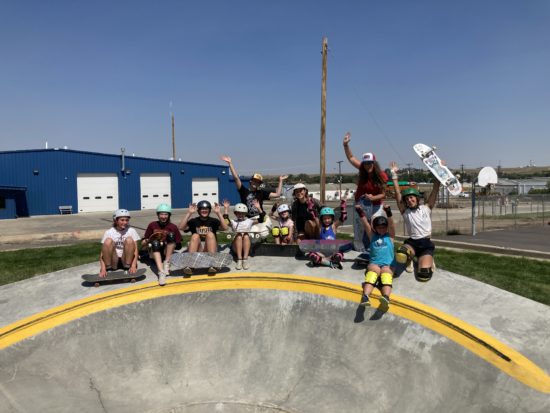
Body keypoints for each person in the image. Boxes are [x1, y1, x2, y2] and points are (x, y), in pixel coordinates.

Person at [390, 161, 440, 282]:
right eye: (407, 199)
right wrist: (394, 175)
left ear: (417, 199)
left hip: (426, 244)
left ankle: (427, 260)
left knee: (424, 276)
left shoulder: (426, 208)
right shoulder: (405, 211)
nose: (409, 200)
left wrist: (438, 169)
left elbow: (435, 189)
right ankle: (409, 259)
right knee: (401, 254)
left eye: (412, 197)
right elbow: (397, 193)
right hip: (412, 243)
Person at [343, 132, 388, 251]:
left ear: (374, 163)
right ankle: (359, 248)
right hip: (361, 204)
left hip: (376, 205)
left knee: (375, 225)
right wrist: (345, 145)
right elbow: (351, 158)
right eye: (365, 163)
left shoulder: (381, 175)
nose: (368, 165)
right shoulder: (362, 169)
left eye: (370, 163)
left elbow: (383, 194)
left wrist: (373, 198)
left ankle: (377, 247)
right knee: (359, 228)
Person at [220, 155, 287, 218]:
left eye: (258, 182)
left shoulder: (261, 192)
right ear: (251, 181)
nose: (256, 183)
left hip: (260, 217)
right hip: (247, 218)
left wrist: (280, 180)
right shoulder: (243, 191)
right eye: (254, 180)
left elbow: (277, 194)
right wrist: (230, 163)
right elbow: (236, 178)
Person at [356, 204, 396, 308]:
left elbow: (391, 224)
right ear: (375, 228)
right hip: (375, 264)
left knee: (386, 276)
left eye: (383, 227)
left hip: (387, 265)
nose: (381, 229)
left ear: (386, 228)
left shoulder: (390, 236)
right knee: (372, 274)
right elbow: (366, 224)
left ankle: (386, 297)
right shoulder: (372, 236)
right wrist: (360, 212)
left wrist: (388, 211)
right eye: (379, 227)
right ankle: (365, 296)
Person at [178, 200, 228, 275]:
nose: (204, 210)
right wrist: (189, 213)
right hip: (199, 249)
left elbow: (225, 228)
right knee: (195, 235)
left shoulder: (213, 221)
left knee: (210, 234)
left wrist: (218, 213)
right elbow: (181, 227)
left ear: (209, 210)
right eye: (202, 209)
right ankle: (190, 265)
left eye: (206, 209)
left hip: (210, 249)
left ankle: (212, 264)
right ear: (198, 210)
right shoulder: (194, 221)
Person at [142, 203, 182, 286]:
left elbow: (179, 246)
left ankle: (166, 264)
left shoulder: (173, 227)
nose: (163, 216)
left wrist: (166, 242)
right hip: (154, 252)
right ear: (158, 215)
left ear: (169, 215)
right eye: (161, 214)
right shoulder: (152, 225)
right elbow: (143, 242)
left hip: (166, 252)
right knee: (155, 243)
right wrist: (148, 240)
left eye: (166, 214)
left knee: (171, 235)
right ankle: (161, 273)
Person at [223, 199, 266, 269]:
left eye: (242, 213)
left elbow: (262, 219)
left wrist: (258, 208)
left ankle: (245, 260)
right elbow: (226, 221)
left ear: (245, 214)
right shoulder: (233, 222)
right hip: (236, 247)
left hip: (246, 246)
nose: (240, 215)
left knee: (246, 235)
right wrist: (225, 208)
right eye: (238, 213)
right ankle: (239, 260)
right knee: (239, 235)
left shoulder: (249, 221)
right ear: (235, 213)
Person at [99, 209, 140, 278]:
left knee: (129, 240)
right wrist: (103, 268)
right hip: (114, 261)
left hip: (126, 260)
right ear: (115, 220)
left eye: (127, 220)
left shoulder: (132, 231)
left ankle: (127, 267)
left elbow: (135, 250)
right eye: (122, 220)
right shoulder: (109, 232)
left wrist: (133, 265)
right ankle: (108, 267)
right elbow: (102, 253)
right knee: (108, 241)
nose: (125, 222)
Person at [306, 201, 348, 269]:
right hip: (322, 253)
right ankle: (329, 263)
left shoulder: (333, 226)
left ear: (332, 218)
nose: (327, 220)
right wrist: (311, 207)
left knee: (339, 254)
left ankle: (322, 261)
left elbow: (343, 218)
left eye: (329, 218)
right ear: (322, 219)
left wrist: (343, 207)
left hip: (332, 253)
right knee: (311, 255)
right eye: (325, 219)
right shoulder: (320, 227)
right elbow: (314, 216)